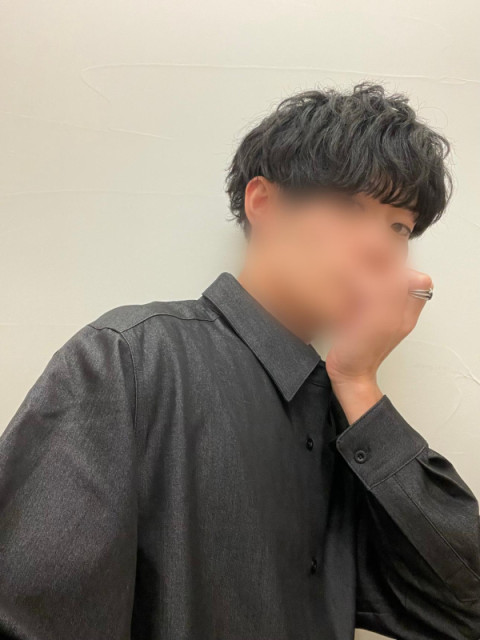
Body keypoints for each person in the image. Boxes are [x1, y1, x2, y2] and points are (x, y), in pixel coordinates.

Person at [0, 81, 479, 640]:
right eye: (351, 206)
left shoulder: (346, 426)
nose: (381, 247)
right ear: (265, 204)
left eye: (399, 226)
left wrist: (358, 383)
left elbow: (464, 608)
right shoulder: (130, 360)